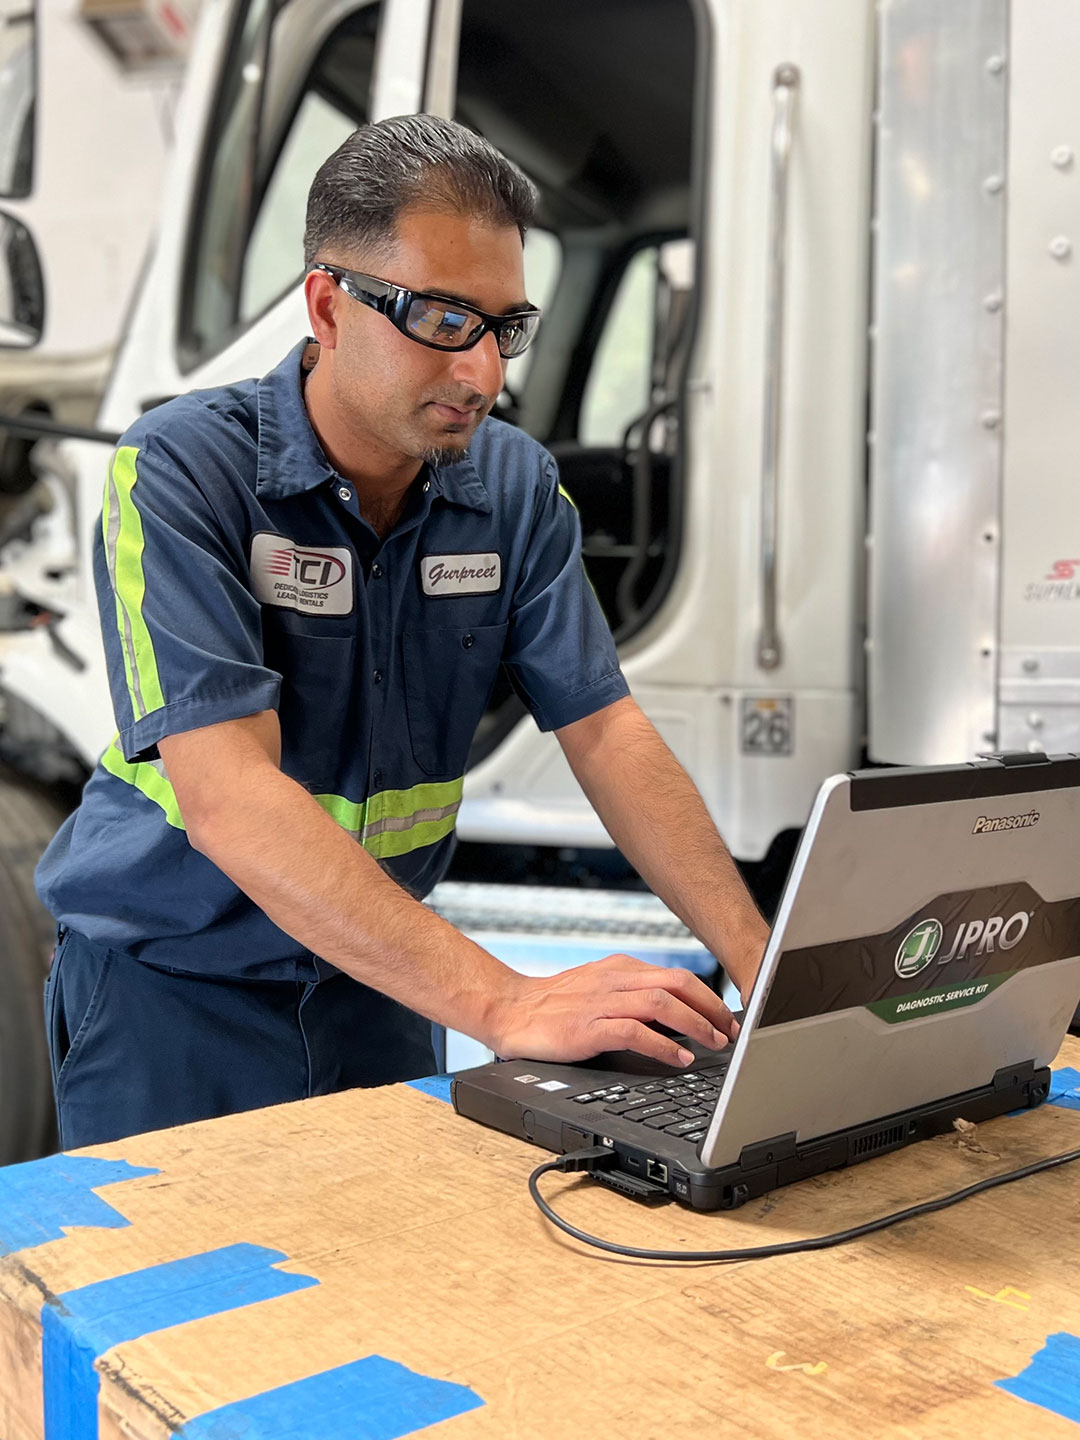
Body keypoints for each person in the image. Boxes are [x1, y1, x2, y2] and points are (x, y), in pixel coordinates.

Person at [35, 115, 767, 1150]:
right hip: (173, 994)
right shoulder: (180, 471)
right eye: (441, 319)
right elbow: (233, 801)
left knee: (384, 1299)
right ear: (328, 305)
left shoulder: (511, 487)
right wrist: (506, 1004)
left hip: (376, 980)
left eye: (504, 327)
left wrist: (764, 966)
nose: (481, 374)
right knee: (183, 1310)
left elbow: (607, 733)